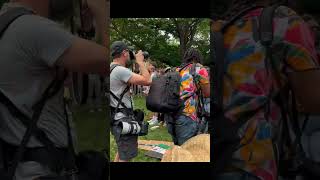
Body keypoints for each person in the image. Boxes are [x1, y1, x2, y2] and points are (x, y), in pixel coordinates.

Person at [0, 0, 108, 179]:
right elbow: (107, 62)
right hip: (41, 170)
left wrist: (86, 26)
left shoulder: (8, 23)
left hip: (17, 165)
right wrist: (102, 10)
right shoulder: (33, 28)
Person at [212, 0, 318, 179]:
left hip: (217, 151)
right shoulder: (284, 20)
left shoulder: (218, 27)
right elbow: (314, 100)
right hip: (252, 161)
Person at [110, 41, 151, 162]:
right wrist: (140, 62)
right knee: (126, 157)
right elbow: (147, 80)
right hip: (123, 119)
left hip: (116, 117)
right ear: (124, 53)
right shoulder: (119, 71)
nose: (130, 55)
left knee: (122, 150)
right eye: (129, 52)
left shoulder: (112, 68)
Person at [166, 48, 210, 146]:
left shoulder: (176, 70)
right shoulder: (199, 69)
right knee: (187, 150)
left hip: (170, 114)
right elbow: (207, 93)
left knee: (177, 148)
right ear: (197, 58)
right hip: (187, 115)